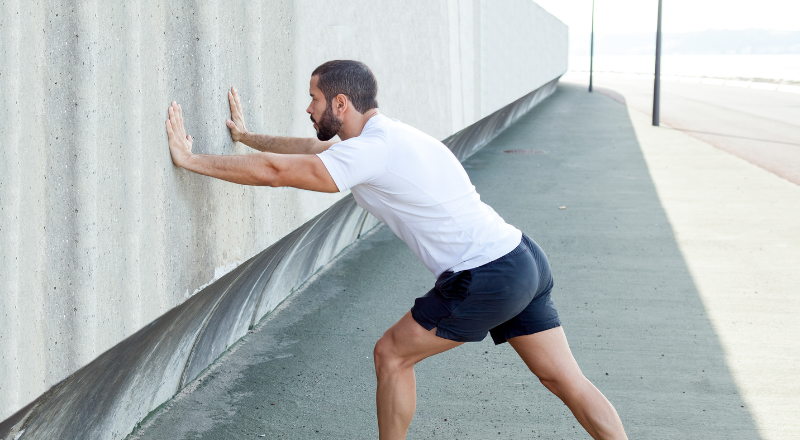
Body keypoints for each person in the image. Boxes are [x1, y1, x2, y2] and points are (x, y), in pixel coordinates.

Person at [166, 60, 627, 440]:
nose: (308, 107)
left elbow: (275, 172)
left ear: (341, 104)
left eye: (315, 99)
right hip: (522, 257)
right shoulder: (382, 137)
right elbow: (307, 148)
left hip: (485, 274)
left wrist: (190, 160)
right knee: (564, 379)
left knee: (391, 354)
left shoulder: (372, 151)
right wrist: (247, 137)